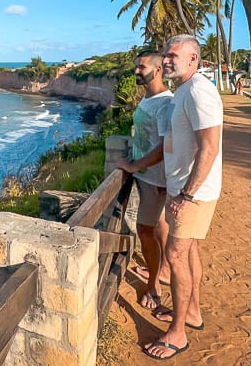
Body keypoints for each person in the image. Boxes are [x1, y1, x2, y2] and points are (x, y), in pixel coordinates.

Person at [143, 34, 223, 361]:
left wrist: (187, 194)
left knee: (175, 256)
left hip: (194, 194)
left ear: (193, 59)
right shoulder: (183, 91)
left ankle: (178, 334)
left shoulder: (199, 92)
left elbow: (210, 147)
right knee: (188, 252)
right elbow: (176, 143)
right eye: (165, 55)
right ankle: (192, 313)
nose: (166, 60)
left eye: (173, 55)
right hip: (183, 190)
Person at [115, 50, 172, 311]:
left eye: (142, 67)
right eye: (137, 67)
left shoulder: (165, 103)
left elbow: (163, 147)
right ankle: (163, 270)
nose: (137, 71)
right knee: (157, 224)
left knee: (145, 231)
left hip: (155, 177)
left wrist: (134, 165)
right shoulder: (149, 98)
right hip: (146, 175)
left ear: (158, 69)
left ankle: (154, 286)